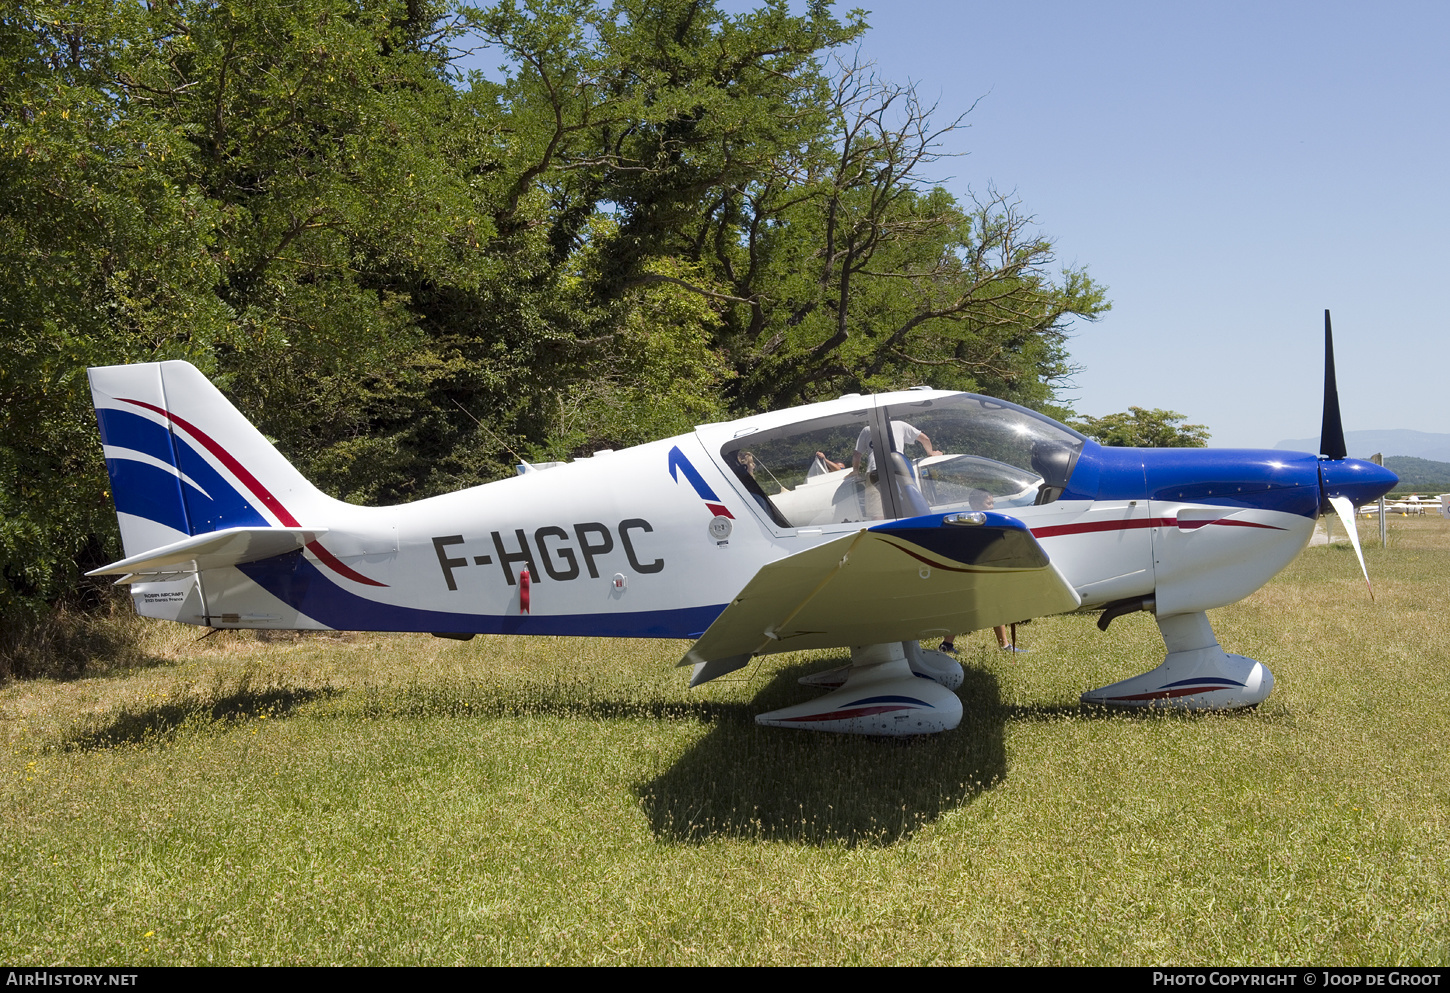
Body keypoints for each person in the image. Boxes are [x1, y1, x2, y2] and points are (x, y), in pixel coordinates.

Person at [936, 488, 1029, 655]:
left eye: (992, 503)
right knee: (974, 607)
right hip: (971, 573)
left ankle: (948, 645)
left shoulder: (986, 522)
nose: (992, 506)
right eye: (988, 503)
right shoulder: (969, 523)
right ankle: (947, 644)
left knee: (992, 606)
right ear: (974, 504)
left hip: (981, 572)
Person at [852, 420, 941, 518]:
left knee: (877, 512)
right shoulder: (900, 424)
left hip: (875, 469)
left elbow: (857, 454)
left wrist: (855, 471)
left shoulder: (867, 429)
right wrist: (930, 453)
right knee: (907, 502)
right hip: (898, 468)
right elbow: (925, 439)